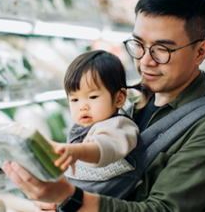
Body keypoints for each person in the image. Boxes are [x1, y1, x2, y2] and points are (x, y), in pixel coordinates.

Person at [3, 0, 205, 211]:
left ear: (201, 52)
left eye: (162, 49)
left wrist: (71, 197)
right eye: (138, 44)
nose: (146, 61)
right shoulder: (130, 100)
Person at [52, 50, 141, 199]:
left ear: (119, 98)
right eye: (74, 100)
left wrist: (79, 151)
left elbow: (103, 147)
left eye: (92, 97)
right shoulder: (80, 128)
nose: (82, 106)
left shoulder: (120, 125)